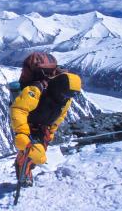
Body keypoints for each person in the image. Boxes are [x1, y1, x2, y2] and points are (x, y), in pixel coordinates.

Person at [10, 52, 82, 187]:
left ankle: (24, 170)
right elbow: (19, 109)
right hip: (29, 124)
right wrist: (22, 133)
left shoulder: (64, 97)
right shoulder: (36, 89)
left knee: (36, 155)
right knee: (38, 155)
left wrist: (52, 131)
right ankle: (22, 170)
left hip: (43, 126)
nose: (68, 97)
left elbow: (60, 115)